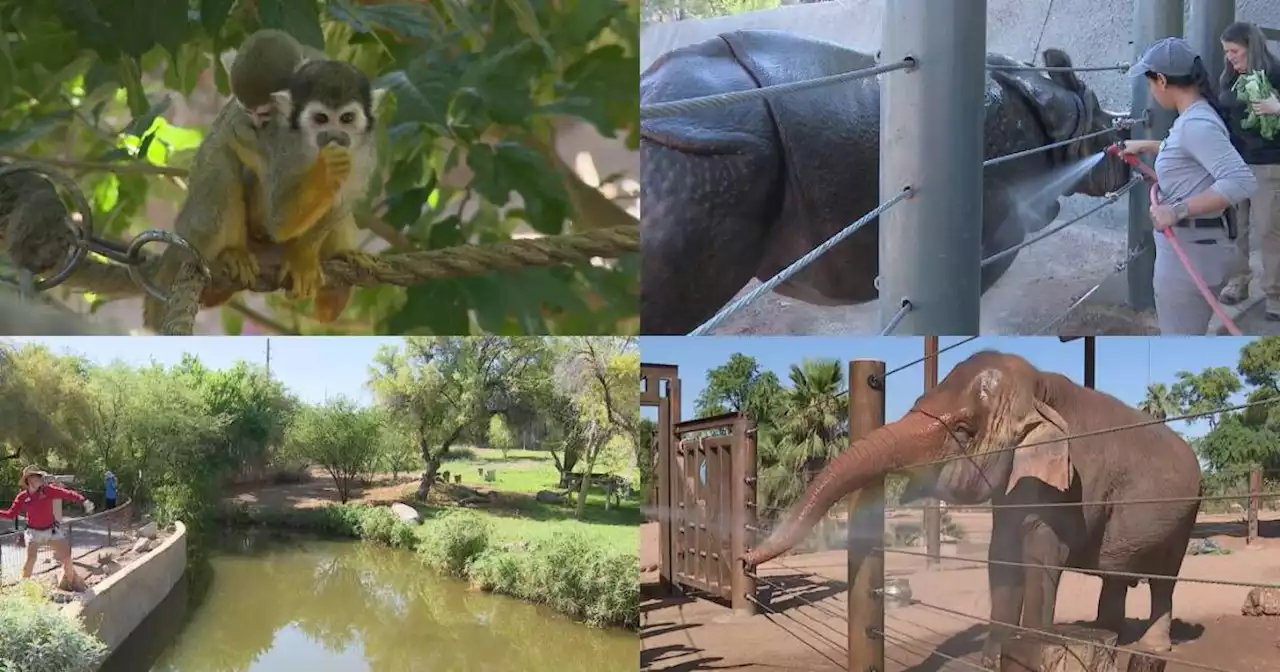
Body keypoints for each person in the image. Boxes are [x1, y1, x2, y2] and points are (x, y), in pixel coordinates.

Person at [1120, 37, 1258, 335]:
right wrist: (1146, 145)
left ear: (1162, 80)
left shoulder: (1196, 124)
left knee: (1178, 340)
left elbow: (1241, 181)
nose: (1151, 91)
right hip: (1201, 247)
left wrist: (1176, 210)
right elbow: (1186, 153)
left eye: (1150, 83)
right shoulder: (1196, 115)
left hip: (1191, 255)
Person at [1217, 22, 1280, 319]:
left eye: (1234, 51)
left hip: (1269, 165)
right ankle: (1238, 281)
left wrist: (1277, 107)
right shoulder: (1229, 77)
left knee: (1270, 232)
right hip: (1234, 164)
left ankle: (1275, 295)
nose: (1229, 57)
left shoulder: (1276, 72)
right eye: (1226, 51)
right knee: (1235, 230)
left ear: (1251, 47)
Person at [0, 466, 94, 586]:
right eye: (35, 476)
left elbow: (68, 494)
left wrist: (83, 501)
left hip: (51, 531)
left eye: (39, 476)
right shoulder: (22, 497)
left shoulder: (48, 490)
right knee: (30, 560)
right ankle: (23, 587)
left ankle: (70, 581)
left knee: (66, 558)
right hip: (33, 533)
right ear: (28, 480)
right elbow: (10, 514)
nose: (39, 479)